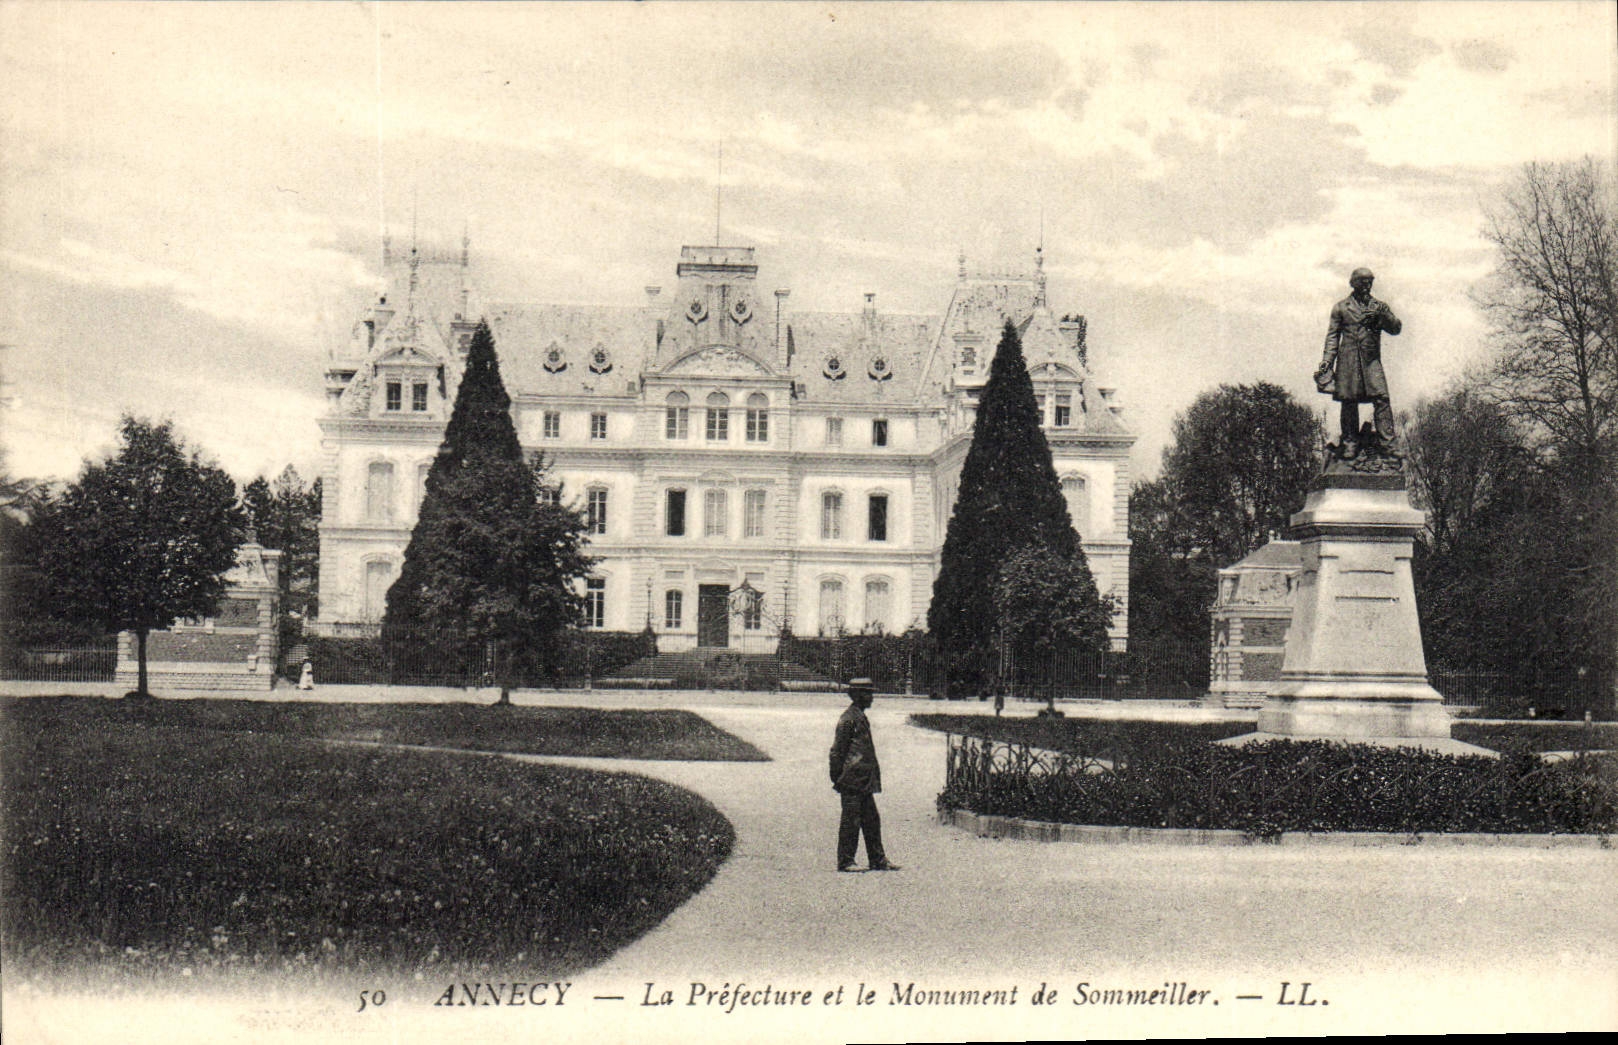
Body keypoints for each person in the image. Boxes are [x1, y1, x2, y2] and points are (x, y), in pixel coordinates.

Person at [1316, 267, 1402, 458]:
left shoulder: (1379, 306)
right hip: (1348, 361)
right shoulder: (1341, 307)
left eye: (1370, 281)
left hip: (1371, 361)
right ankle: (1350, 443)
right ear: (1352, 283)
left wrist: (1382, 316)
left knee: (1382, 399)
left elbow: (1396, 328)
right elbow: (1332, 337)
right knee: (1349, 401)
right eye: (1363, 281)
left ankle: (1388, 443)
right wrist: (1326, 362)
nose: (1367, 285)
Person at [828, 678, 899, 872]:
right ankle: (846, 861)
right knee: (851, 821)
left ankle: (877, 859)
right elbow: (837, 751)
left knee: (871, 820)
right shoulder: (849, 718)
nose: (872, 698)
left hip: (863, 780)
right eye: (868, 693)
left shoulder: (858, 716)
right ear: (858, 695)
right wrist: (838, 777)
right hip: (852, 779)